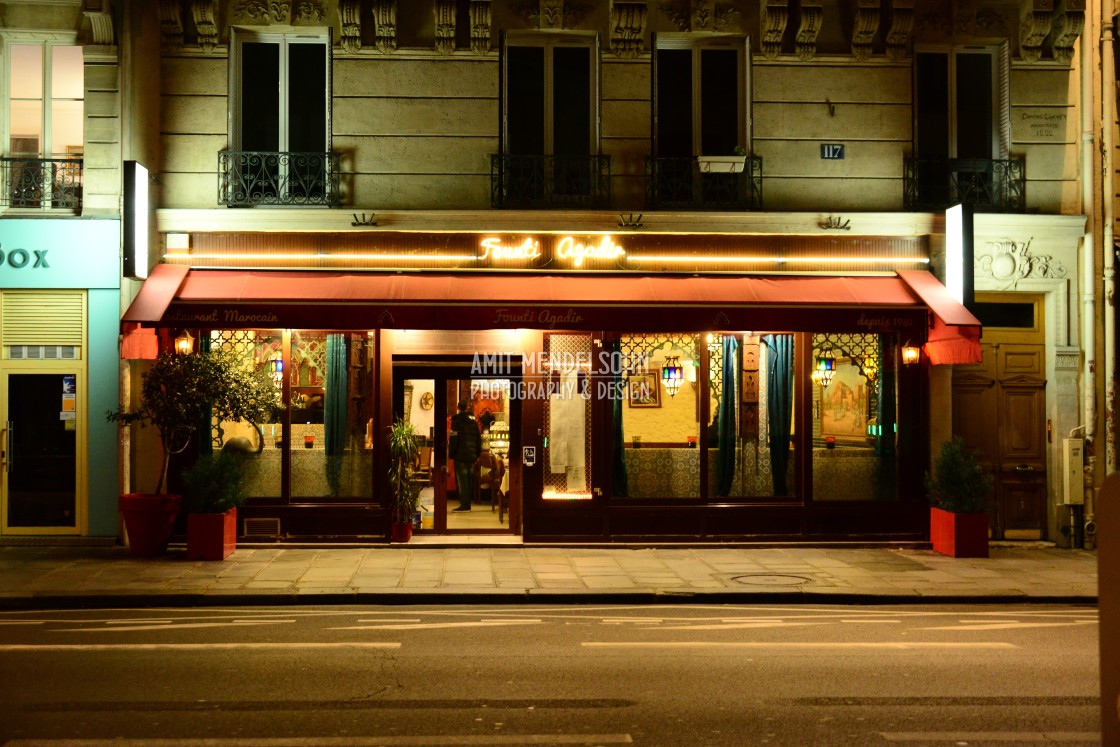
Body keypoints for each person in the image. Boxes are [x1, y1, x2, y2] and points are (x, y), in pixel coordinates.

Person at [448, 399, 482, 511]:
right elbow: (478, 438)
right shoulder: (473, 422)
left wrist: (451, 453)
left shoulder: (456, 421)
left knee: (462, 480)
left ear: (458, 408)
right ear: (467, 407)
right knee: (469, 479)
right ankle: (468, 503)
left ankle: (464, 504)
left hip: (460, 455)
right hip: (471, 455)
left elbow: (453, 438)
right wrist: (477, 454)